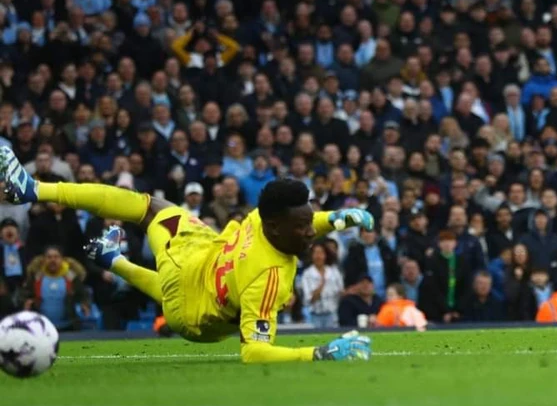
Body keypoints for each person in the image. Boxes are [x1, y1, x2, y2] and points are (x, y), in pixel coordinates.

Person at [0, 146, 373, 364]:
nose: (312, 231)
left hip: (196, 299)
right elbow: (255, 353)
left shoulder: (268, 247)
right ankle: (95, 243)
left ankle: (38, 192)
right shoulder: (267, 252)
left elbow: (255, 352)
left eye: (312, 224)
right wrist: (318, 353)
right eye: (305, 226)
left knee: (150, 212)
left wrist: (338, 220)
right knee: (150, 209)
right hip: (204, 265)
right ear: (274, 225)